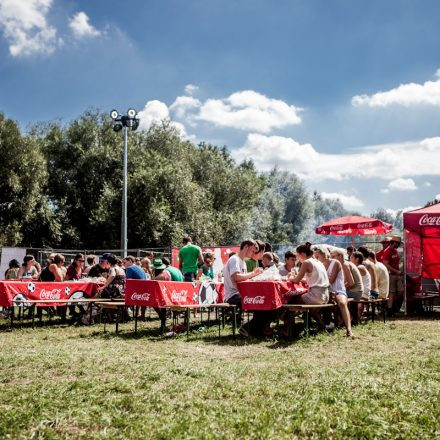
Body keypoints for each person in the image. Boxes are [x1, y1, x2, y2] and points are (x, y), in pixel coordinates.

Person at [285, 242, 330, 333]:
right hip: (325, 295)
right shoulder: (318, 262)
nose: (297, 258)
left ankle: (288, 331)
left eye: (297, 255)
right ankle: (321, 326)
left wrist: (290, 277)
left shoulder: (306, 262)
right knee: (313, 311)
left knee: (291, 301)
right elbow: (310, 279)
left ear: (303, 254)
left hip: (316, 296)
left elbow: (297, 280)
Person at [223, 239, 263, 335]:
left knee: (262, 300)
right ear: (245, 247)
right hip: (233, 295)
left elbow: (243, 280)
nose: (253, 253)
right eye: (252, 250)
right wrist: (253, 274)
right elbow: (236, 277)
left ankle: (253, 328)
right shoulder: (234, 259)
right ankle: (249, 328)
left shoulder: (243, 262)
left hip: (239, 294)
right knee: (259, 302)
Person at [314, 246, 353, 337]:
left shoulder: (335, 263)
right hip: (325, 291)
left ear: (324, 255)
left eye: (317, 256)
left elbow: (331, 280)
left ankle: (349, 330)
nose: (316, 259)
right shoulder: (319, 265)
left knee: (342, 303)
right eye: (314, 257)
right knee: (313, 308)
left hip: (338, 290)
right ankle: (322, 325)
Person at [382, 235, 404, 315]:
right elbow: (386, 264)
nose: (398, 245)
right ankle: (390, 310)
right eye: (398, 243)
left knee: (401, 291)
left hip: (397, 275)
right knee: (391, 293)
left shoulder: (395, 251)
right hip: (391, 275)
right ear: (394, 242)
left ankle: (390, 306)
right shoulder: (387, 251)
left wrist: (398, 272)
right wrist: (396, 271)